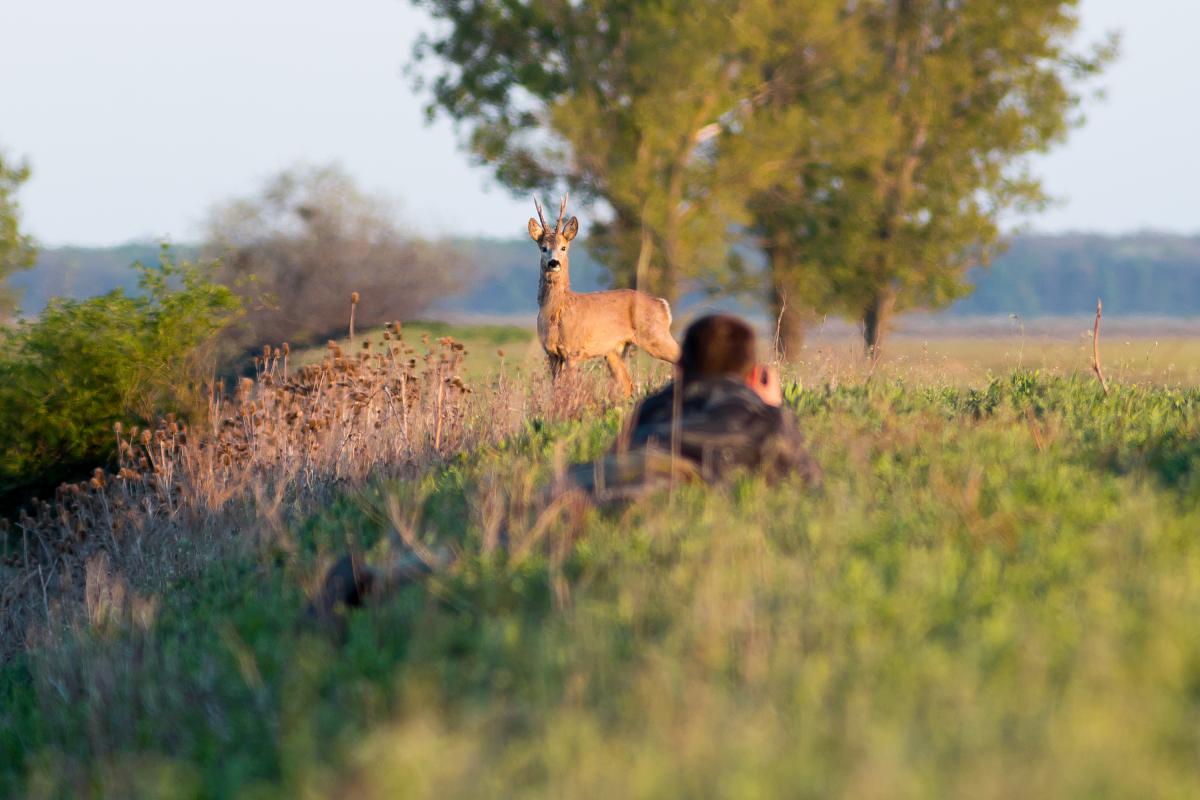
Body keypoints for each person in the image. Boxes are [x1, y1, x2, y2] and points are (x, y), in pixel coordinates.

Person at [310, 313, 818, 621]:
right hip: (664, 481)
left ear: (680, 369)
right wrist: (774, 409)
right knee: (558, 549)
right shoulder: (759, 415)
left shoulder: (660, 401)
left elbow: (628, 443)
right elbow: (808, 490)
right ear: (754, 373)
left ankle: (374, 579)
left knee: (511, 541)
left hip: (594, 475)